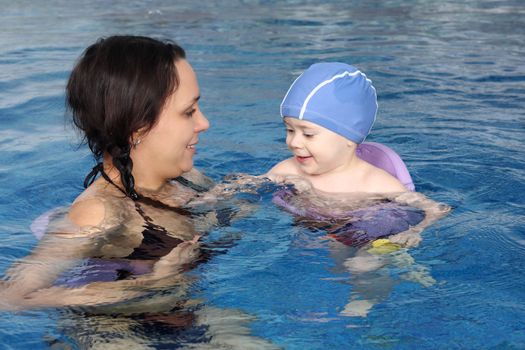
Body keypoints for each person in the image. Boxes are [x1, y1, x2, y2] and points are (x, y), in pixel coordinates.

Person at [266, 62, 450, 316]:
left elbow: (436, 208)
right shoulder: (287, 169)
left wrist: (414, 231)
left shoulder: (374, 181)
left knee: (362, 264)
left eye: (308, 134)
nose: (294, 142)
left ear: (349, 139)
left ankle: (368, 299)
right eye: (289, 130)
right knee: (323, 256)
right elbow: (247, 188)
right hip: (322, 229)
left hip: (369, 230)